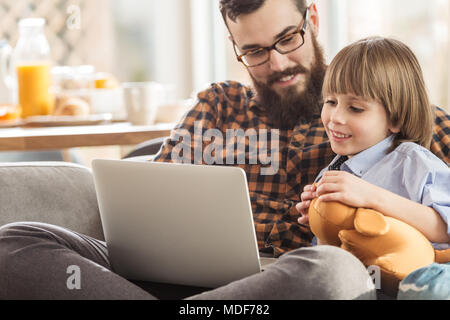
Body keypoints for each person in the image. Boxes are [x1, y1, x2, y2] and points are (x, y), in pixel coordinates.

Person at [0, 0, 447, 300]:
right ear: (234, 47)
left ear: (311, 19)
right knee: (16, 239)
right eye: (253, 51)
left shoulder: (394, 118)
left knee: (327, 271)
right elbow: (144, 204)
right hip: (185, 278)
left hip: (291, 281)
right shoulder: (219, 105)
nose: (276, 63)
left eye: (286, 39)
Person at [297, 36, 450, 298]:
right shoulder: (330, 174)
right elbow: (331, 261)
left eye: (355, 108)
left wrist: (372, 197)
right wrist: (319, 221)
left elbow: (445, 226)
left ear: (396, 118)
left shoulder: (412, 161)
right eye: (330, 102)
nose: (335, 118)